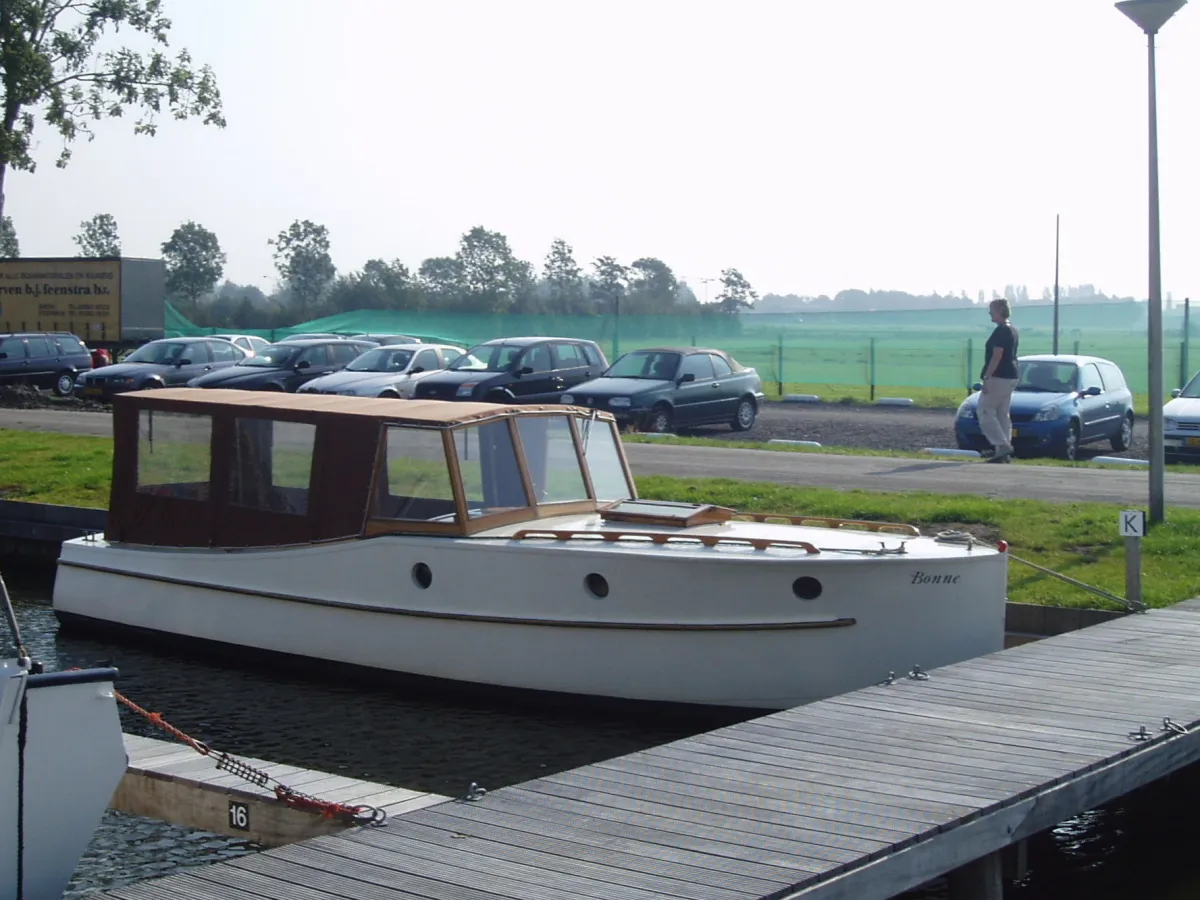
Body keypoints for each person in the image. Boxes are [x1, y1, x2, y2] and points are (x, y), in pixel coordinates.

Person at [978, 299, 1019, 463]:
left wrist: (987, 377)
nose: (989, 313)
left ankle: (1002, 445)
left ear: (999, 311)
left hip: (999, 376)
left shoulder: (1002, 331)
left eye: (991, 310)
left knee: (984, 410)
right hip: (1011, 376)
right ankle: (1003, 452)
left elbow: (997, 355)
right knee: (1002, 413)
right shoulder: (1013, 330)